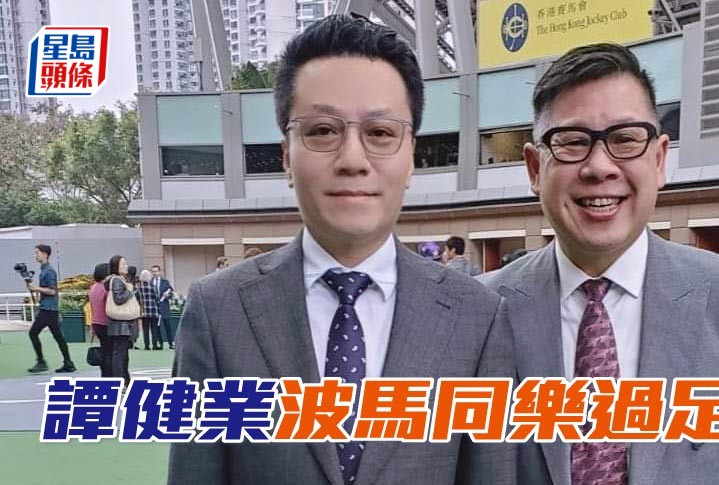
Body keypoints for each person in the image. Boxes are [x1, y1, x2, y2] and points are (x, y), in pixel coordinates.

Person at [168, 15, 515, 485]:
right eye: (322, 131)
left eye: (380, 133)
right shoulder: (218, 310)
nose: (352, 159)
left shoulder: (478, 316)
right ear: (287, 156)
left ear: (411, 155)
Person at [480, 43, 719, 484]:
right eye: (572, 142)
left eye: (624, 139)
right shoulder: (482, 309)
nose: (599, 167)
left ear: (659, 160)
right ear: (533, 168)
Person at [26, 244, 76, 373]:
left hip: (48, 310)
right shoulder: (45, 270)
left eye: (37, 253)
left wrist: (36, 288)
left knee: (33, 333)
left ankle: (42, 362)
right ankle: (68, 362)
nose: (35, 255)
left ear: (45, 254)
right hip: (50, 309)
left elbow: (52, 291)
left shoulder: (49, 271)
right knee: (59, 337)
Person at [105, 255, 138, 386]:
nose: (126, 266)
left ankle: (124, 380)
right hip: (121, 323)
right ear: (115, 267)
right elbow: (118, 299)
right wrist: (130, 291)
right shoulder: (117, 280)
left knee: (121, 354)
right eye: (122, 264)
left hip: (120, 324)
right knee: (120, 355)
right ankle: (120, 380)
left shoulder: (115, 280)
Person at [88, 263, 111, 377]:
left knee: (104, 349)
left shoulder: (93, 288)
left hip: (96, 323)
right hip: (106, 322)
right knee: (110, 352)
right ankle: (110, 375)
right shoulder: (105, 289)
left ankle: (104, 375)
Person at [150, 264, 175, 349]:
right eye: (153, 271)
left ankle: (171, 343)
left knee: (167, 326)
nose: (155, 273)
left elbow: (171, 293)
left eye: (156, 271)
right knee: (157, 327)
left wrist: (167, 295)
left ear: (160, 272)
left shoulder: (165, 282)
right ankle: (160, 343)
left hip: (164, 307)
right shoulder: (150, 282)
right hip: (154, 307)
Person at [138, 269, 163, 350]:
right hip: (153, 310)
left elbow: (138, 298)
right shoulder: (152, 286)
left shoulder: (139, 287)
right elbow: (157, 298)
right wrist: (159, 307)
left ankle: (147, 345)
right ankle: (154, 345)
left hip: (144, 310)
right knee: (154, 328)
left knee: (145, 329)